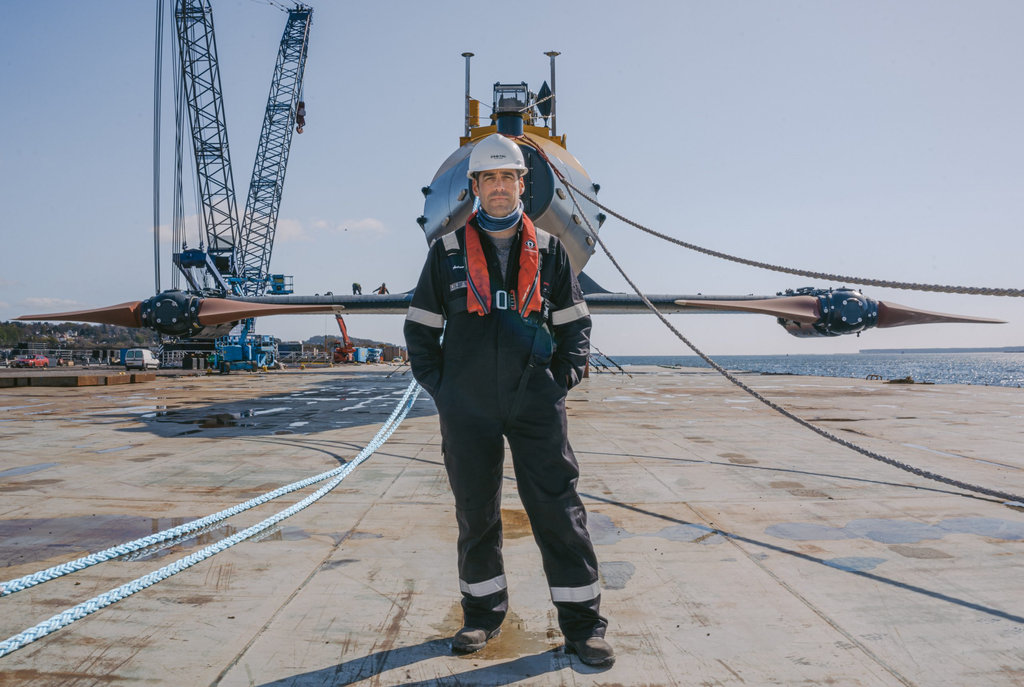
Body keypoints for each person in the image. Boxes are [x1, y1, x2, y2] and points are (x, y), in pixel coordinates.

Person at [403, 134, 613, 667]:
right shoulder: (446, 253)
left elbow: (575, 324)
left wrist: (558, 380)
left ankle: (583, 626)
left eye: (508, 178)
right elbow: (421, 329)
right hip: (467, 406)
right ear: (474, 188)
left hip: (535, 403)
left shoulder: (549, 251)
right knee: (476, 514)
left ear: (524, 183)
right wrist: (445, 390)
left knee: (559, 511)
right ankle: (482, 614)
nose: (499, 188)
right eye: (488, 179)